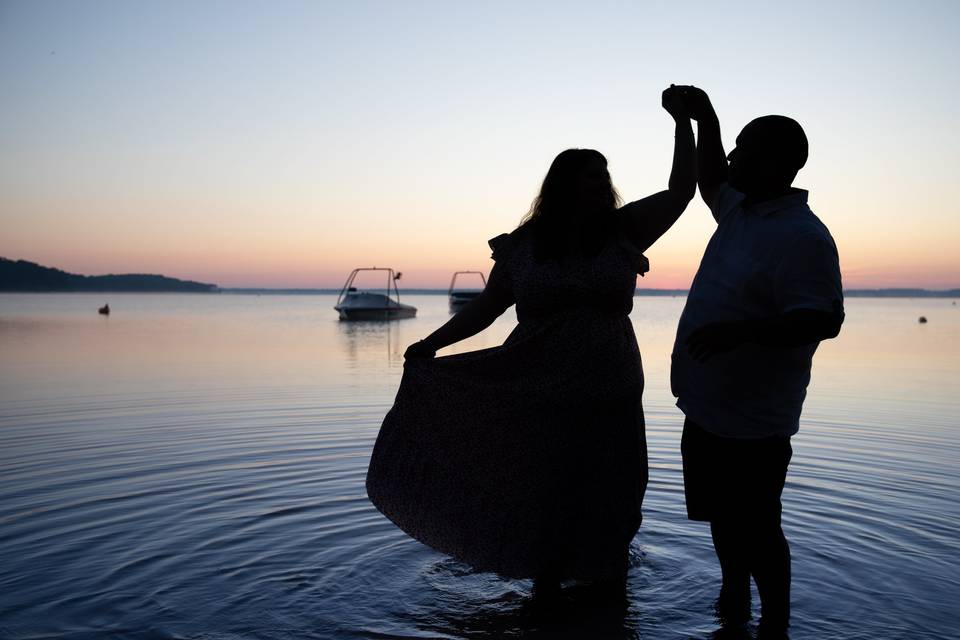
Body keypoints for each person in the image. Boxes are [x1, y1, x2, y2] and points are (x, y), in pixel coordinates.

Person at [366, 86, 696, 597]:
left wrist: (684, 123)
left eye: (604, 175)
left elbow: (681, 191)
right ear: (563, 184)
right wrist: (432, 343)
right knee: (544, 482)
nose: (600, 184)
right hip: (535, 377)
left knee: (610, 483)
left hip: (609, 378)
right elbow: (487, 307)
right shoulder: (523, 244)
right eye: (590, 175)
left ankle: (608, 584)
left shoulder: (625, 229)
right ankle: (544, 581)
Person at [669, 86, 844, 636]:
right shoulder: (741, 209)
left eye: (742, 149)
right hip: (705, 405)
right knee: (722, 515)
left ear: (776, 163)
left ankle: (776, 624)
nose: (732, 158)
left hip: (755, 418)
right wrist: (706, 119)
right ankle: (734, 598)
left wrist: (738, 334)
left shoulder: (804, 237)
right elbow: (710, 179)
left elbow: (822, 320)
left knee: (760, 524)